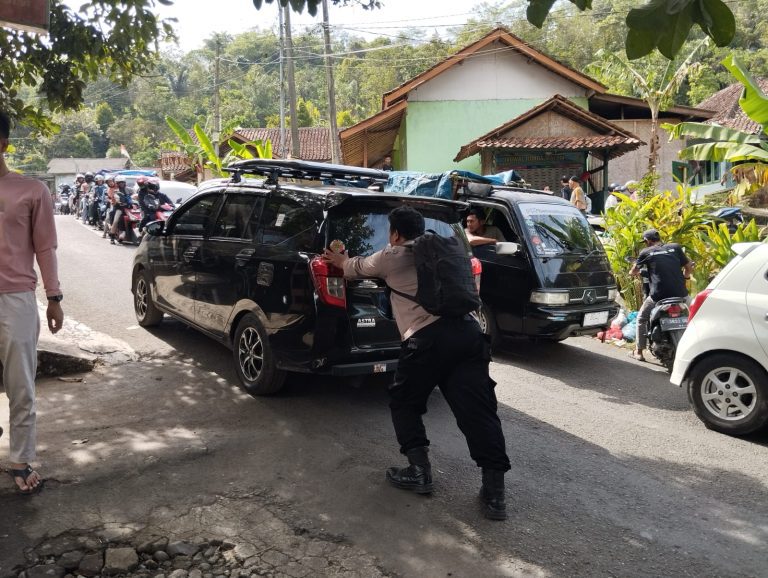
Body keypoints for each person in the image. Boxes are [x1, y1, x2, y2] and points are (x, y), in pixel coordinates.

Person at [322, 206, 511, 520]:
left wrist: (338, 258)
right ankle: (495, 495)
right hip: (468, 334)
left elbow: (353, 267)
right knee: (479, 412)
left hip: (426, 340)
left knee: (404, 402)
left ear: (395, 234)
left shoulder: (391, 255)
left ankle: (419, 471)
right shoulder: (445, 250)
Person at [0, 109, 64, 494]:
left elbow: (46, 248)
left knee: (21, 385)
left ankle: (21, 460)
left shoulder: (31, 190)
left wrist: (54, 297)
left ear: (3, 144)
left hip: (16, 300)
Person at [629, 229, 693, 362]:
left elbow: (634, 271)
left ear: (647, 241)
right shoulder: (675, 247)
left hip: (659, 296)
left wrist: (633, 271)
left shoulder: (645, 252)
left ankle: (639, 352)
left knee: (641, 318)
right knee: (694, 317)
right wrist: (686, 277)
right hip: (680, 294)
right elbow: (688, 267)